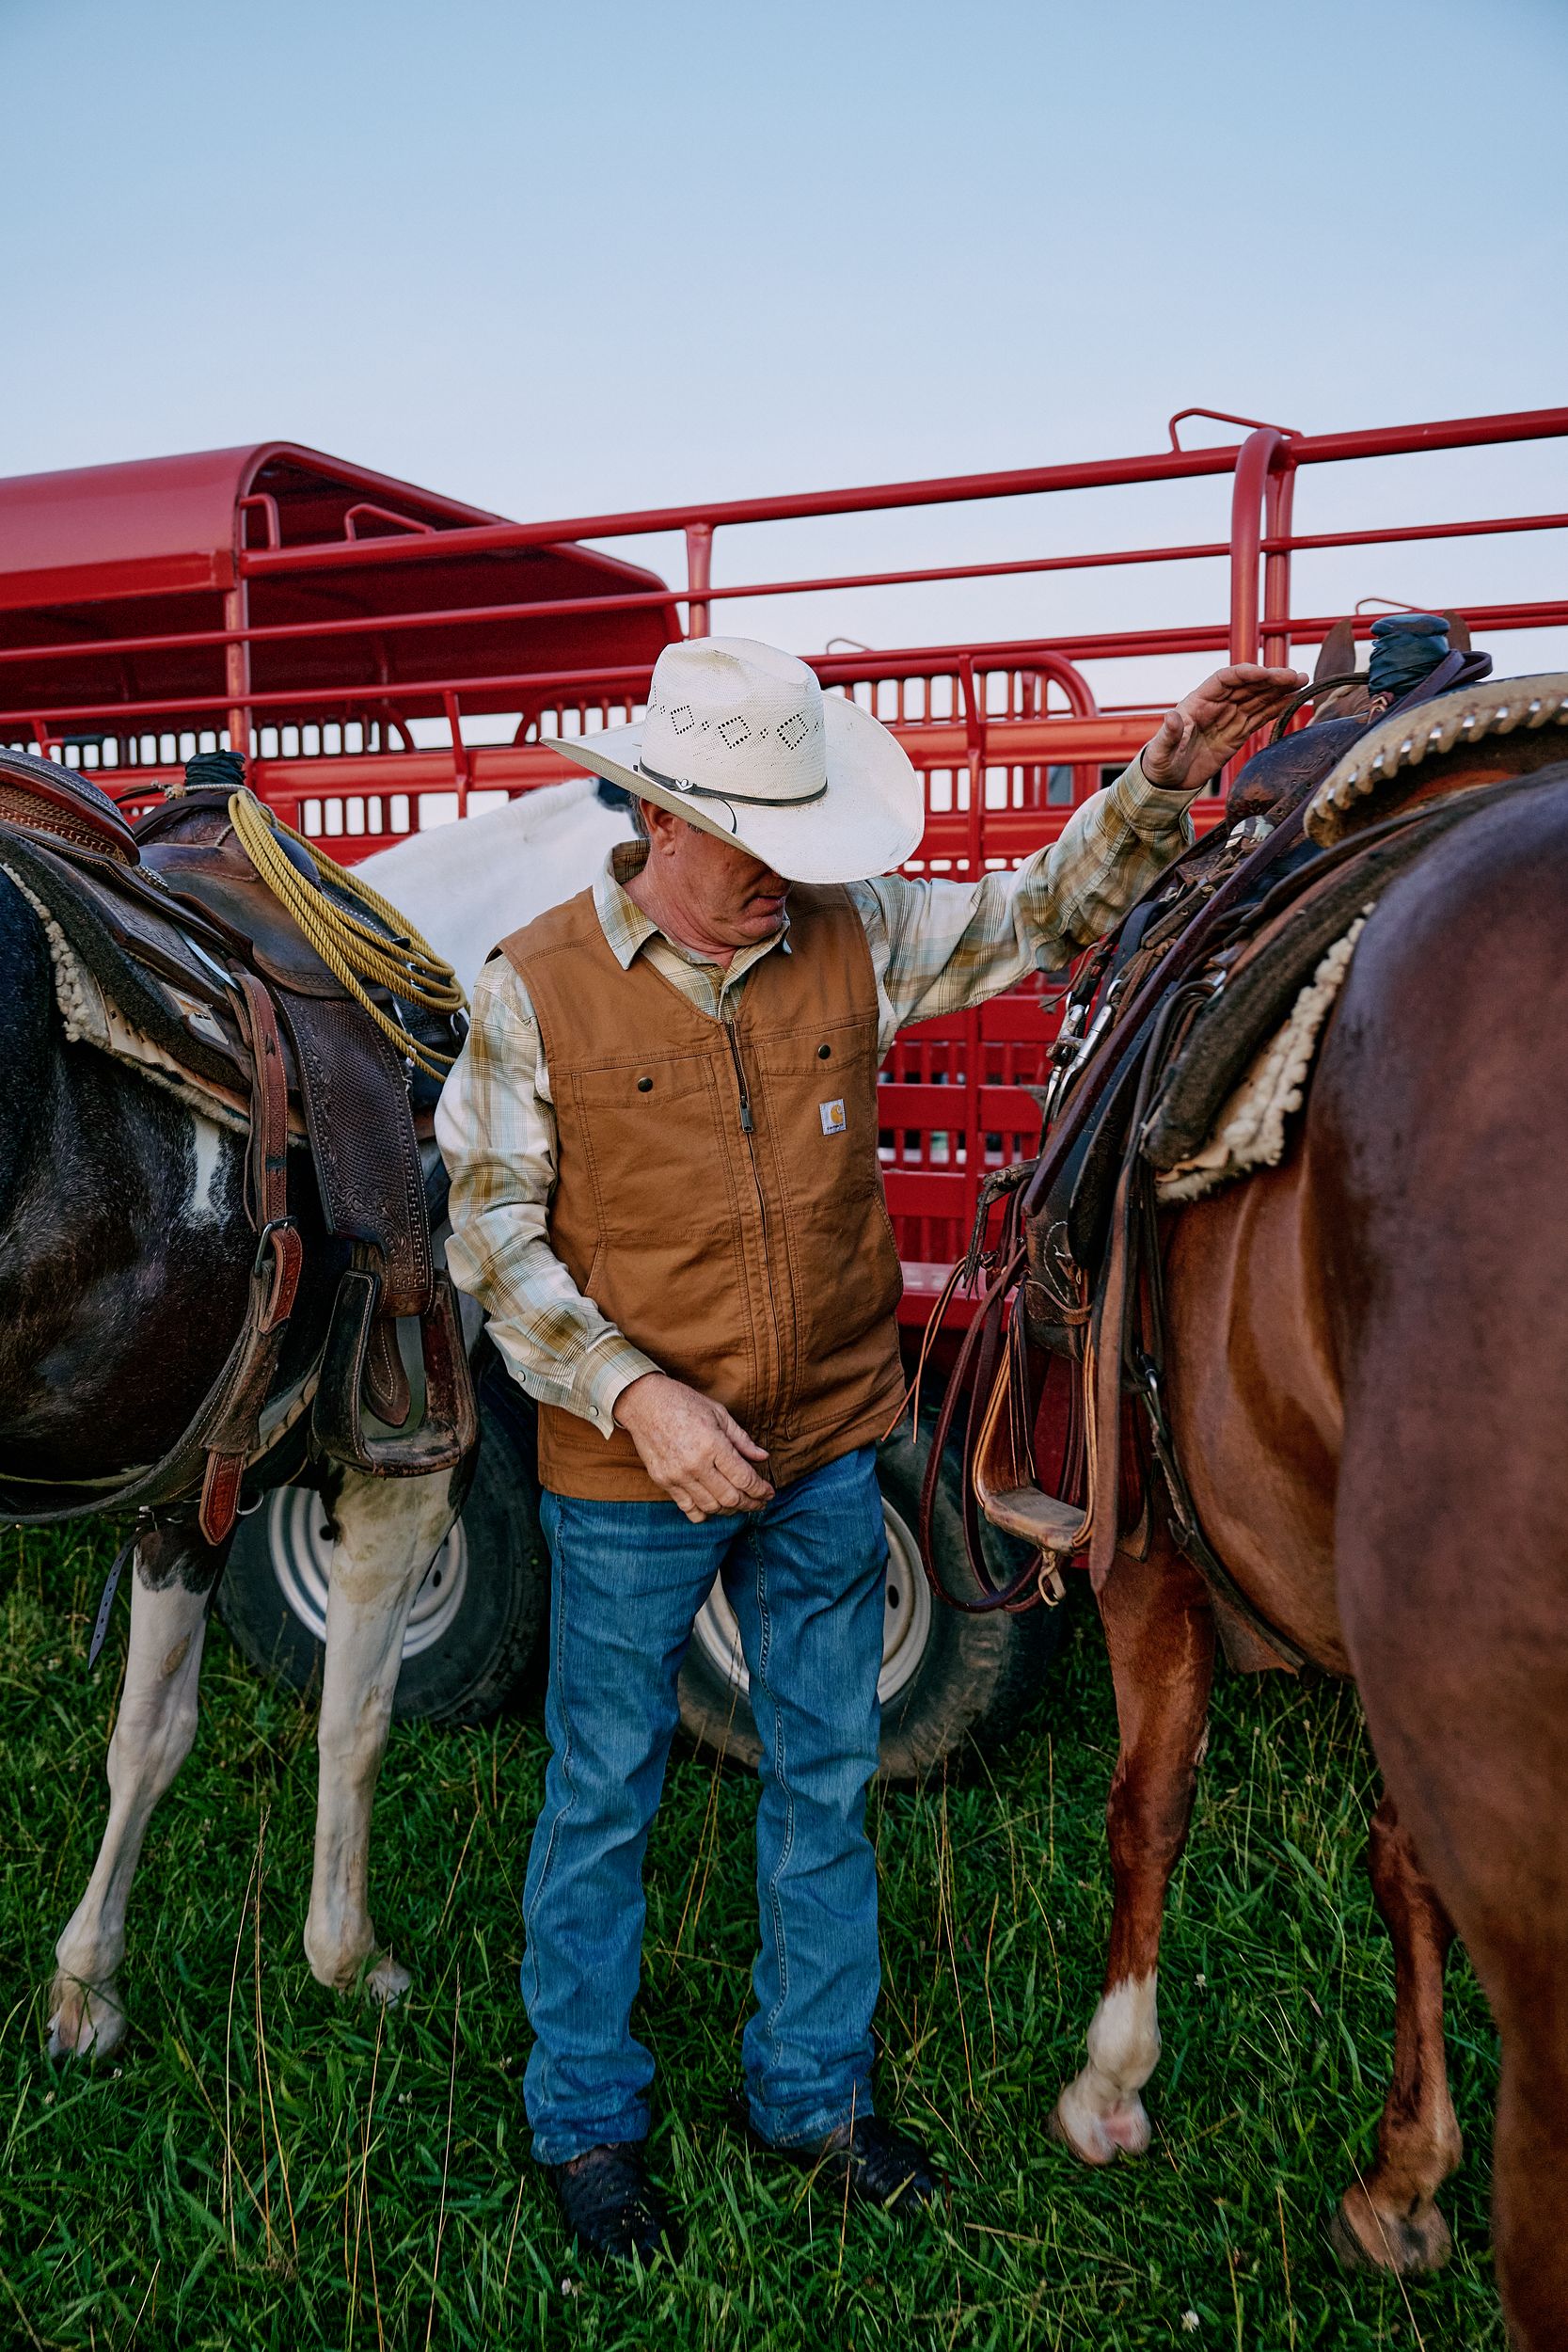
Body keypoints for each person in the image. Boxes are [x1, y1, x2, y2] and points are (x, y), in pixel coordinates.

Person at [436, 634, 1302, 2264]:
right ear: (662, 821)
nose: (786, 875)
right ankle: (587, 2124)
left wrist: (1156, 785)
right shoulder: (532, 983)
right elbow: (491, 1237)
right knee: (602, 1794)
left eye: (802, 839)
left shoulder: (848, 936)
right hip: (633, 1480)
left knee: (824, 1779)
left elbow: (1038, 911)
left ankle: (813, 2094)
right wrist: (633, 1393)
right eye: (759, 841)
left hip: (832, 1442)